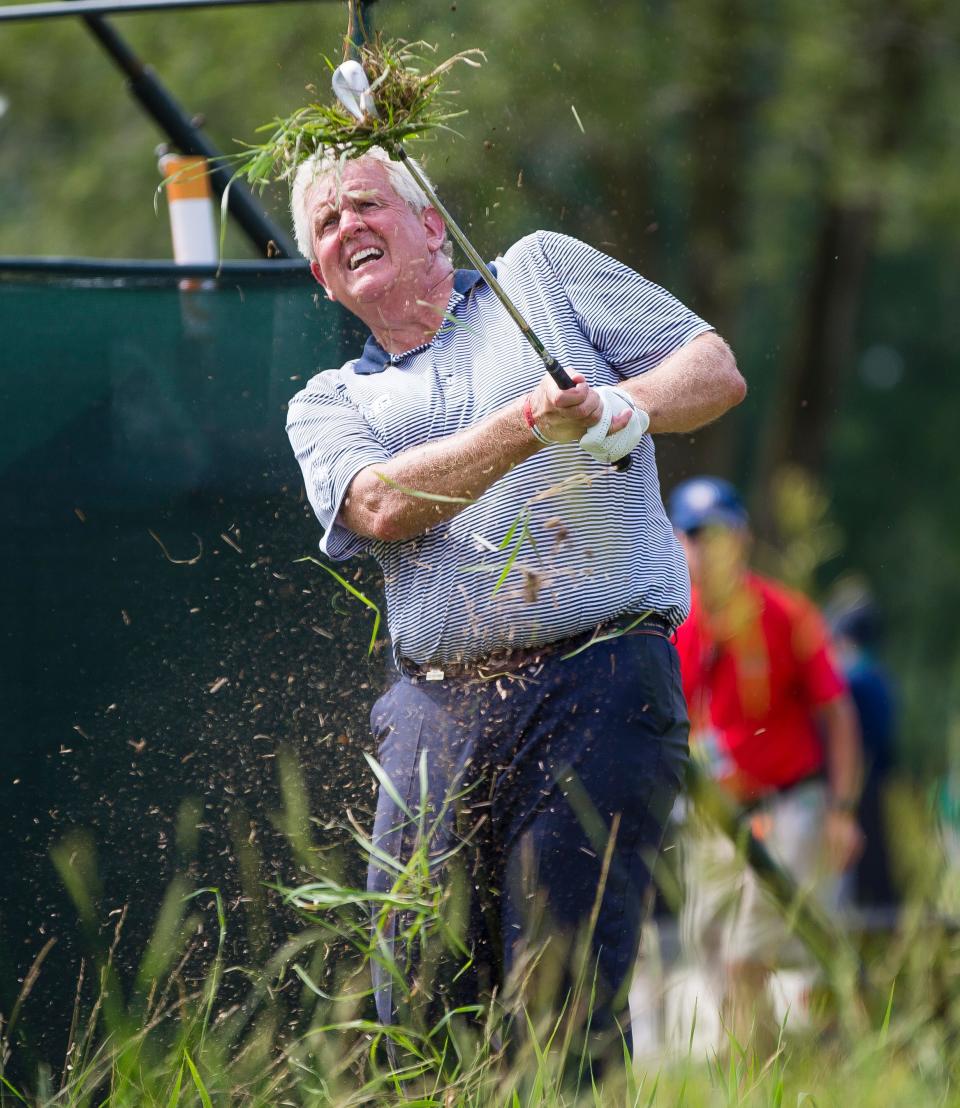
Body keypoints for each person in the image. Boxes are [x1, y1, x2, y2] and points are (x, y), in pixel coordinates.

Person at [285, 146, 746, 1063]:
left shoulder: (538, 271)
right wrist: (530, 424)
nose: (349, 228)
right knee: (414, 1010)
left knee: (561, 1013)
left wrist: (622, 406)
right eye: (328, 224)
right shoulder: (327, 401)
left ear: (430, 223)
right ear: (320, 276)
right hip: (433, 711)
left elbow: (714, 371)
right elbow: (378, 504)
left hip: (600, 682)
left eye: (367, 205)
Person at [667, 476, 863, 1054]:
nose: (710, 547)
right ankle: (766, 1065)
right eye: (696, 535)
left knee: (746, 954)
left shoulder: (787, 612)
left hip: (787, 807)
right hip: (710, 819)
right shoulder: (670, 621)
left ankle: (749, 1070)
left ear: (744, 537)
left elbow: (839, 713)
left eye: (721, 533)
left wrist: (843, 810)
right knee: (707, 944)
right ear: (676, 540)